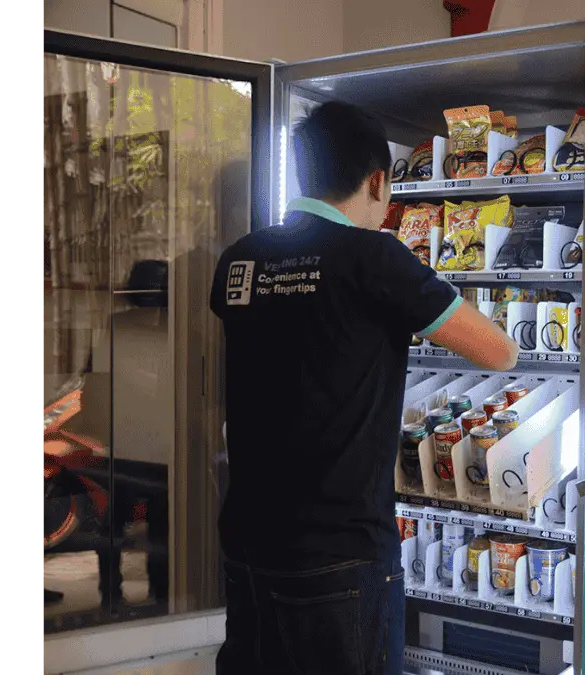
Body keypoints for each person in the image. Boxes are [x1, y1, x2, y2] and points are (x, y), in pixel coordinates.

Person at [210, 101, 518, 675]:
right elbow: (500, 351)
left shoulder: (240, 259)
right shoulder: (375, 258)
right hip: (341, 554)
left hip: (249, 543)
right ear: (378, 181)